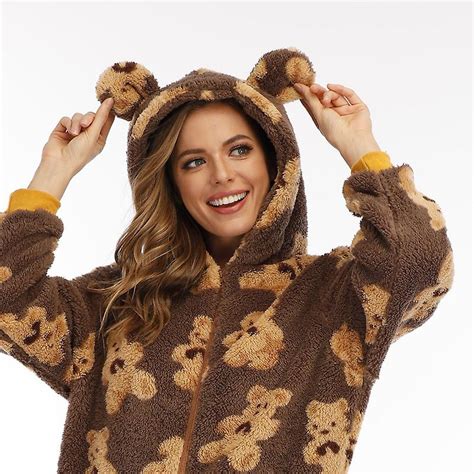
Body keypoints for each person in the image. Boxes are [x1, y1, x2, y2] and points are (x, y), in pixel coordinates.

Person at [0, 48, 454, 473]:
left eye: (240, 150)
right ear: (170, 182)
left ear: (275, 162)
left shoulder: (334, 297)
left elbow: (418, 259)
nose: (221, 174)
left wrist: (360, 147)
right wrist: (53, 173)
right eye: (193, 162)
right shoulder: (117, 302)